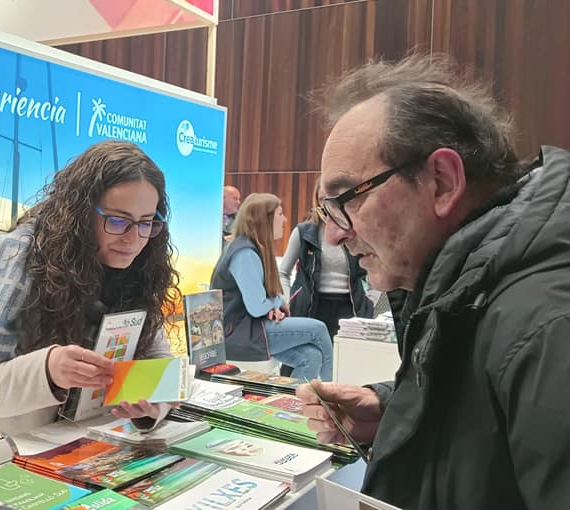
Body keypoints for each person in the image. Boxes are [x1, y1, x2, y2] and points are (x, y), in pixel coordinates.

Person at [296, 55, 570, 510]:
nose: (334, 234)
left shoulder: (548, 329)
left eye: (346, 200)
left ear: (442, 182)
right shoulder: (473, 292)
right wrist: (394, 413)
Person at [0, 140, 180, 436]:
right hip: (16, 448)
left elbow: (159, 359)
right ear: (79, 213)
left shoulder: (142, 269)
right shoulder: (18, 255)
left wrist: (154, 406)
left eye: (147, 223)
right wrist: (48, 369)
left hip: (93, 442)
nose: (133, 240)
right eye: (117, 221)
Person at [211, 193, 332, 381]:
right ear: (264, 219)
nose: (285, 220)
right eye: (280, 214)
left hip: (249, 328)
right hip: (241, 333)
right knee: (319, 328)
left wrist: (274, 305)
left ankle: (293, 398)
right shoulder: (245, 253)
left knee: (311, 356)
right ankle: (331, 389)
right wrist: (277, 302)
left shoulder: (248, 249)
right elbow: (257, 306)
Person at [279, 180, 374, 339]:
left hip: (350, 307)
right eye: (322, 199)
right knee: (310, 352)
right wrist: (288, 300)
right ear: (316, 200)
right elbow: (283, 272)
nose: (327, 205)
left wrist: (371, 300)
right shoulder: (303, 232)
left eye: (332, 198)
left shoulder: (354, 232)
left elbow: (373, 267)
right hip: (310, 307)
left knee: (346, 353)